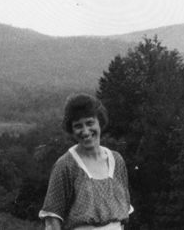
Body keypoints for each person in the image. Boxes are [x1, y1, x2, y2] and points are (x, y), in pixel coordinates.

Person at [39, 93, 132, 229]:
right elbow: (52, 220)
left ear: (100, 121)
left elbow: (123, 215)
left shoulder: (117, 160)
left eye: (89, 123)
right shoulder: (65, 165)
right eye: (78, 126)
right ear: (71, 130)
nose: (85, 131)